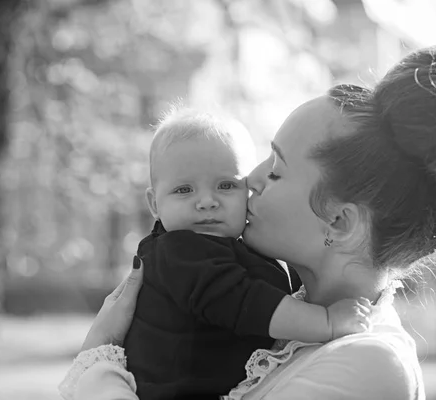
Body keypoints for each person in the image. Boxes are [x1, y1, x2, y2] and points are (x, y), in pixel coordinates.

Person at [59, 45, 436, 400]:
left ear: (340, 222)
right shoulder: (285, 310)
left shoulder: (370, 366)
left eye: (277, 169)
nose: (249, 179)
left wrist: (97, 360)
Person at [122, 109, 371, 399]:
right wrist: (326, 322)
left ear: (246, 191)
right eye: (184, 190)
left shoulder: (239, 249)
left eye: (226, 185)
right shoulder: (178, 252)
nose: (206, 202)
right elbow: (245, 302)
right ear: (154, 204)